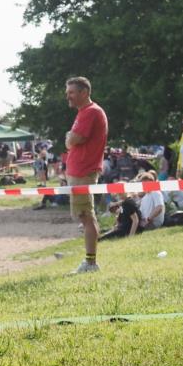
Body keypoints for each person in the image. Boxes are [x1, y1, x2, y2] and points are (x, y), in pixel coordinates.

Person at [63, 77, 108, 273]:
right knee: (86, 216)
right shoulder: (85, 112)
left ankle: (90, 263)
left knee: (86, 216)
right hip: (79, 171)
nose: (68, 96)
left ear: (84, 92)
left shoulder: (90, 112)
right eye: (67, 93)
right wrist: (70, 139)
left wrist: (69, 138)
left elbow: (74, 138)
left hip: (83, 172)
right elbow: (72, 140)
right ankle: (90, 261)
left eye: (71, 92)